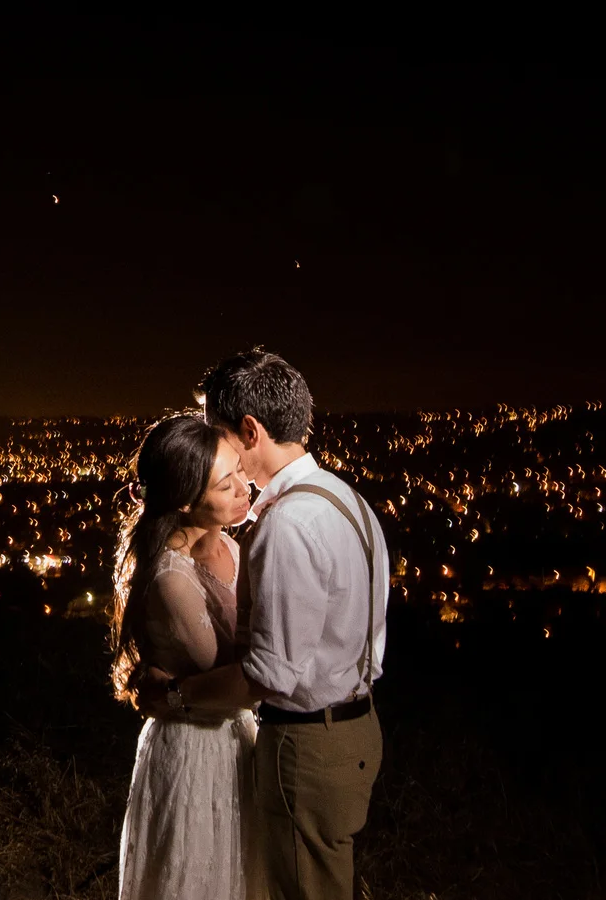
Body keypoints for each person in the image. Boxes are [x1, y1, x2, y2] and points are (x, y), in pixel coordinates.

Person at [137, 349, 389, 900]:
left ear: (249, 431)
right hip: (358, 727)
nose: (217, 450)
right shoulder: (348, 501)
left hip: (309, 745)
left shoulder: (287, 525)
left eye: (220, 434)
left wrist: (174, 697)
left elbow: (268, 674)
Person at [111, 410, 261, 900]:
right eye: (226, 484)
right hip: (199, 753)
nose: (244, 487)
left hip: (234, 742)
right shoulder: (172, 579)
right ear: (185, 500)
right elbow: (241, 681)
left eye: (240, 468)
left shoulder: (233, 548)